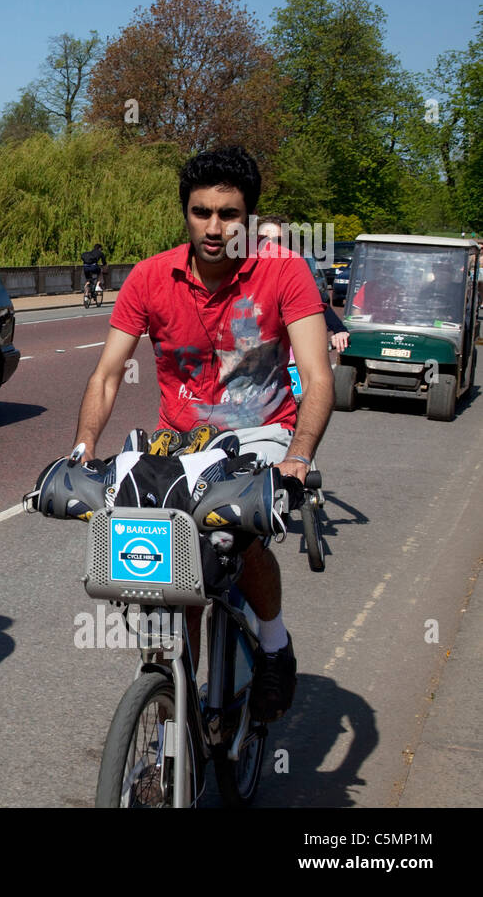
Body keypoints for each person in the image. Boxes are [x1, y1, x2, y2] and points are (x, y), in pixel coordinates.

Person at [67, 147, 333, 723]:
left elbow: (317, 377)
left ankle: (274, 647)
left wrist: (299, 459)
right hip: (181, 441)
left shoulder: (284, 271)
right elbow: (108, 374)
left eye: (230, 214)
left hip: (262, 432)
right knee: (165, 568)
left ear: (250, 219)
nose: (214, 227)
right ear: (185, 211)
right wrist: (83, 450)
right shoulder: (149, 276)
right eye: (201, 211)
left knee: (239, 536)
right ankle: (173, 699)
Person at [257, 215, 349, 352]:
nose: (270, 246)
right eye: (263, 239)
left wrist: (339, 329)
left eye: (278, 241)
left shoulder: (293, 272)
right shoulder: (239, 269)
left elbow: (314, 304)